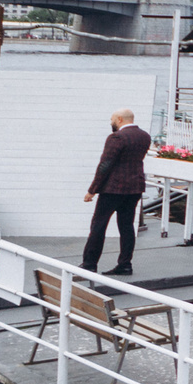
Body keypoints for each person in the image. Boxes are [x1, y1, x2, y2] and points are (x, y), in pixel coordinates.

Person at [83, 107, 152, 276]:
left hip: (113, 189)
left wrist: (92, 190)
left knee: (98, 225)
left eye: (112, 119)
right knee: (127, 226)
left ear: (120, 119)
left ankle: (89, 264)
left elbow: (105, 165)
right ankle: (125, 264)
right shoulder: (144, 136)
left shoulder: (117, 137)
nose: (111, 122)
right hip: (135, 188)